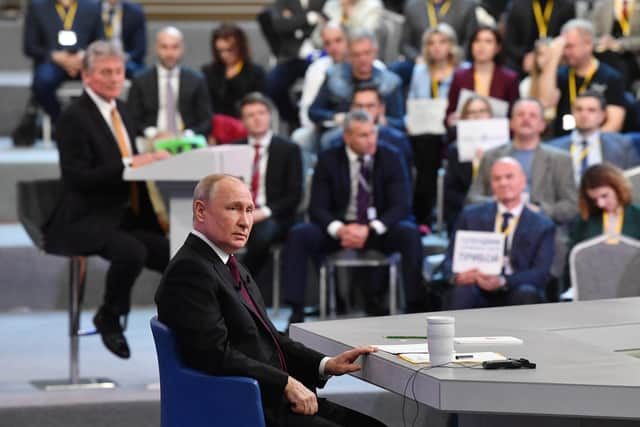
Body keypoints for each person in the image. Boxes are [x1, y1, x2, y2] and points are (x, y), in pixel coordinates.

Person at [155, 174, 387, 427]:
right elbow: (214, 356)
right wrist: (285, 383)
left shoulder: (228, 264)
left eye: (249, 210)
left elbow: (268, 338)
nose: (245, 222)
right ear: (200, 211)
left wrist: (325, 364)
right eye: (233, 209)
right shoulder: (190, 271)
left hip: (271, 399)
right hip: (246, 408)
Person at [47, 41, 170, 359]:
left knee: (176, 255)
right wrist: (132, 165)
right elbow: (77, 177)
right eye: (106, 72)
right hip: (85, 217)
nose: (115, 78)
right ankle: (109, 317)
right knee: (132, 252)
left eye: (118, 72)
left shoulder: (122, 109)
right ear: (87, 76)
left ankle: (182, 327)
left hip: (124, 215)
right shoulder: (74, 117)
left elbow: (130, 161)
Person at [283, 111, 424, 324]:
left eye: (372, 133)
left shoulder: (391, 157)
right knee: (299, 235)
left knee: (409, 233)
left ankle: (415, 307)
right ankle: (296, 312)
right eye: (363, 135)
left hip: (378, 229)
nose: (371, 140)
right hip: (340, 229)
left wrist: (371, 229)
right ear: (347, 137)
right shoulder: (328, 159)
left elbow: (401, 206)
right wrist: (340, 229)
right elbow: (317, 207)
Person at [443, 157, 555, 309]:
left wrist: (503, 281)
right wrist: (457, 277)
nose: (503, 183)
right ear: (492, 185)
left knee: (526, 292)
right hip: (476, 285)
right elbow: (449, 260)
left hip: (515, 287)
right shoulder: (470, 216)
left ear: (523, 181)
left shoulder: (542, 225)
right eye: (497, 179)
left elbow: (541, 273)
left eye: (509, 177)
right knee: (462, 291)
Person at [233, 93, 303, 284]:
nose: (257, 118)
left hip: (273, 216)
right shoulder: (233, 150)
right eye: (250, 115)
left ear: (270, 115)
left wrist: (262, 213)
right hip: (238, 214)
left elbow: (294, 195)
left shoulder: (289, 149)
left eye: (261, 113)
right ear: (243, 121)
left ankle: (239, 284)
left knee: (264, 234)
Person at [407, 23, 460, 227]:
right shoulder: (420, 71)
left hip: (450, 127)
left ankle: (446, 216)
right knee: (424, 149)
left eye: (442, 42)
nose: (436, 47)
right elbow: (412, 99)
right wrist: (409, 121)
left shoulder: (461, 72)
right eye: (431, 43)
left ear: (451, 45)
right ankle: (423, 217)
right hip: (424, 130)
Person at [541, 19, 627, 136]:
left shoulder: (610, 77)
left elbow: (615, 123)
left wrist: (587, 144)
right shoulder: (560, 74)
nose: (566, 52)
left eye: (570, 46)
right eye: (564, 47)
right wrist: (553, 57)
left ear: (588, 45)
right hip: (563, 142)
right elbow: (546, 101)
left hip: (596, 145)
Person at [309, 29, 404, 132]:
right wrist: (336, 117)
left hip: (380, 132)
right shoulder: (335, 77)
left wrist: (383, 120)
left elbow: (400, 122)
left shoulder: (390, 82)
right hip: (341, 131)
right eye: (357, 54)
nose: (362, 59)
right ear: (349, 55)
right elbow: (313, 111)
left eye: (367, 53)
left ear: (375, 52)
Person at [23, 0, 104, 122]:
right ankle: (61, 120)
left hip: (84, 62)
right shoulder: (37, 7)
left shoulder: (92, 6)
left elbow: (100, 41)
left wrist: (84, 56)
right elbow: (30, 46)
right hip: (53, 62)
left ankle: (89, 121)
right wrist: (54, 56)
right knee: (42, 81)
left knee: (102, 79)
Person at [127, 26, 212, 141]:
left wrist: (187, 134)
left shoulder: (196, 80)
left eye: (175, 47)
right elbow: (132, 118)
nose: (170, 53)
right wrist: (153, 133)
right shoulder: (140, 80)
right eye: (164, 47)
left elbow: (206, 121)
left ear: (182, 49)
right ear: (156, 48)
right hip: (150, 140)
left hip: (187, 139)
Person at [565, 163, 640, 287]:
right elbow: (574, 259)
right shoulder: (585, 221)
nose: (600, 203)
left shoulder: (637, 216)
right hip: (596, 286)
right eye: (594, 200)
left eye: (604, 196)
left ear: (618, 188)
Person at [546, 90, 640, 185]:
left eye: (591, 110)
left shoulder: (623, 145)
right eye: (579, 109)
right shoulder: (552, 148)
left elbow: (632, 182)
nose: (584, 115)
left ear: (603, 115)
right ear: (572, 113)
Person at [262, 0, 326, 128]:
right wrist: (309, 17)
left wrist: (293, 21)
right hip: (291, 57)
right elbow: (279, 24)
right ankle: (294, 118)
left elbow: (327, 21)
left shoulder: (323, 2)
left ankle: (319, 118)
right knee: (272, 85)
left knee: (321, 81)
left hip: (319, 56)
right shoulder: (283, 2)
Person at [323, 85, 413, 174]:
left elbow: (405, 183)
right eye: (358, 106)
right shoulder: (334, 141)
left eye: (370, 106)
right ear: (351, 108)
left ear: (381, 109)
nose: (364, 111)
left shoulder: (398, 141)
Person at [446, 25, 520, 125]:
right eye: (477, 41)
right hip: (466, 134)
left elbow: (514, 115)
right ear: (471, 45)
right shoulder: (459, 76)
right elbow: (449, 113)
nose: (481, 46)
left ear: (497, 47)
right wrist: (451, 119)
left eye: (488, 41)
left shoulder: (509, 79)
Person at [444, 95, 493, 235]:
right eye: (472, 112)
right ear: (464, 118)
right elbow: (451, 192)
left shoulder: (505, 148)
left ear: (490, 115)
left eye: (482, 111)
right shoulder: (455, 150)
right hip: (466, 207)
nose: (477, 116)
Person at [201, 24, 266, 119]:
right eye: (220, 51)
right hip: (216, 125)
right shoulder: (208, 72)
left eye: (230, 50)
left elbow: (259, 104)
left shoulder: (255, 72)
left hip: (245, 124)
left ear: (240, 47)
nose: (224, 55)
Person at [502, 0, 575, 76]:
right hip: (522, 61)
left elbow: (567, 39)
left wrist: (549, 56)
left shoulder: (565, 6)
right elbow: (509, 43)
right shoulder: (518, 6)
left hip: (555, 60)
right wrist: (525, 56)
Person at [591, 0, 640, 91]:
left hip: (632, 56)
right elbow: (590, 34)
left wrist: (621, 44)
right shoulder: (602, 5)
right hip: (603, 52)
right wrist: (601, 41)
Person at [100, 0, 146, 77]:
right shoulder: (92, 9)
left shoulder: (135, 12)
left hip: (126, 60)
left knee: (141, 75)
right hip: (99, 59)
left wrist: (124, 58)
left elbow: (140, 49)